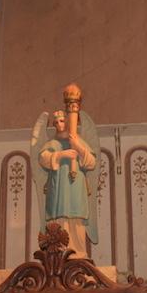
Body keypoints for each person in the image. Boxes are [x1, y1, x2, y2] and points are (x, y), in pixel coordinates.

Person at [31, 84, 99, 257]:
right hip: (58, 187)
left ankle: (78, 252)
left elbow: (91, 163)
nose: (61, 124)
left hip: (76, 188)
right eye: (58, 122)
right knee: (59, 219)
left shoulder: (79, 140)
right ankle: (58, 252)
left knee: (75, 220)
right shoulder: (51, 144)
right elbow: (42, 158)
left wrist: (79, 148)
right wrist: (61, 155)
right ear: (54, 124)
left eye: (63, 120)